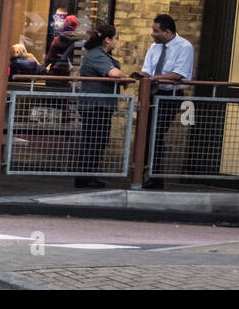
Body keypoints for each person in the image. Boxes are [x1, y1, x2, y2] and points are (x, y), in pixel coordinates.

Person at [131, 14, 194, 189]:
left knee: (157, 134)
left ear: (167, 32)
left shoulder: (184, 47)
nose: (152, 34)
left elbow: (178, 74)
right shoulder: (154, 47)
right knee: (145, 134)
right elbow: (147, 70)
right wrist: (141, 76)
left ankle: (155, 175)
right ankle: (143, 173)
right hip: (151, 93)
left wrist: (153, 78)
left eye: (156, 31)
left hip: (169, 96)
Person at [74, 20, 127, 188]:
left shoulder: (100, 55)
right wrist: (126, 77)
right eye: (115, 38)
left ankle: (87, 176)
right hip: (96, 104)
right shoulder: (97, 55)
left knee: (96, 139)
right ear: (107, 40)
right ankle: (86, 177)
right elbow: (113, 73)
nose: (117, 41)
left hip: (100, 103)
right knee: (95, 139)